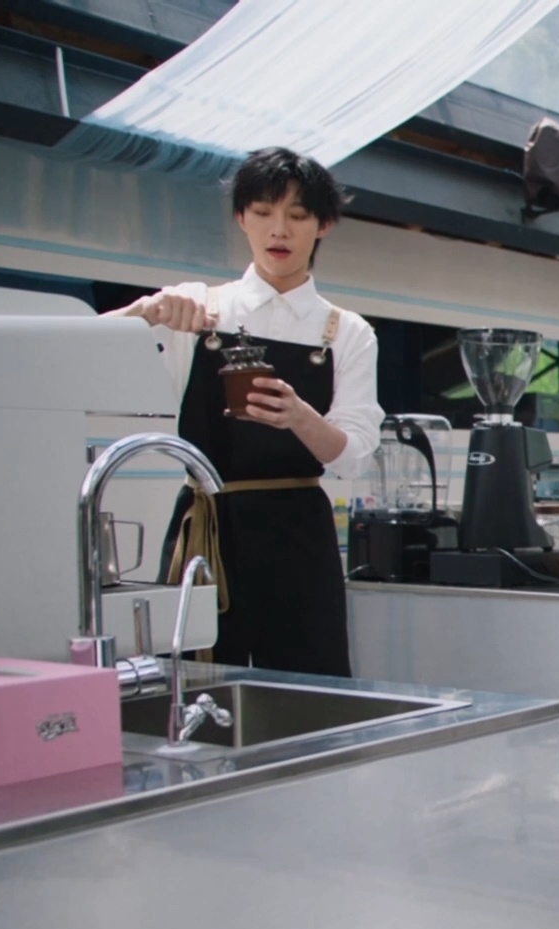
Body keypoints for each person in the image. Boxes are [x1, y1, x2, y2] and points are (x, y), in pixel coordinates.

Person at [106, 147, 382, 676]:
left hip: (299, 535)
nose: (279, 230)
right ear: (241, 218)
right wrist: (139, 315)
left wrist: (299, 416)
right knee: (196, 683)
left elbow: (354, 457)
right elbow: (77, 358)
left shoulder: (347, 332)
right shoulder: (198, 307)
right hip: (208, 528)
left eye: (297, 215)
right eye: (262, 212)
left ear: (323, 225)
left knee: (309, 688)